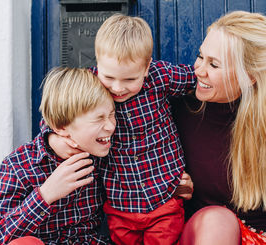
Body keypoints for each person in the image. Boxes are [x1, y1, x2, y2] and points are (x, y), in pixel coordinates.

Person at [170, 11, 266, 244]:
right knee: (217, 221)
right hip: (205, 235)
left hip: (262, 239)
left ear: (248, 77)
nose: (199, 70)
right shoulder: (178, 110)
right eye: (201, 56)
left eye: (214, 64)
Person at [45, 14, 196, 244]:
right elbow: (60, 112)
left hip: (165, 193)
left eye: (129, 79)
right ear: (98, 63)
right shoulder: (91, 83)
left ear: (146, 67)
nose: (117, 87)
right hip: (120, 202)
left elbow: (195, 80)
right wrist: (52, 138)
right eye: (109, 76)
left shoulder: (160, 76)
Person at [0, 68, 116, 245]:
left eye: (112, 114)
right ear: (62, 127)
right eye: (99, 118)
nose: (111, 126)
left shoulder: (102, 153)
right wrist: (45, 195)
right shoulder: (19, 166)